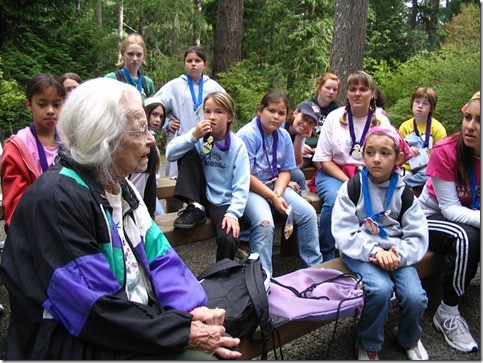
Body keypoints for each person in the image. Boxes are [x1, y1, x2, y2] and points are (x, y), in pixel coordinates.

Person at [0, 78, 241, 360]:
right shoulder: (56, 200)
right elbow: (93, 308)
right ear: (105, 138)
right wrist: (180, 331)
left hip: (128, 322)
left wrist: (191, 307)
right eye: (140, 131)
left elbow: (158, 254)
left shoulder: (118, 185)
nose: (151, 140)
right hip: (71, 340)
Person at [333, 125, 429, 360]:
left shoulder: (404, 193)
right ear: (363, 154)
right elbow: (344, 231)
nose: (376, 159)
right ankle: (369, 340)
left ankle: (409, 336)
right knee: (380, 289)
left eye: (385, 153)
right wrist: (374, 251)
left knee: (415, 296)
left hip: (397, 253)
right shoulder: (352, 187)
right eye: (370, 152)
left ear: (398, 157)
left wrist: (399, 254)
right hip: (360, 252)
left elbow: (417, 235)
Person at [418, 91, 480, 353]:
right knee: (467, 237)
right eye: (468, 117)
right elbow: (451, 210)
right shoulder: (446, 151)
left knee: (470, 232)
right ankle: (447, 312)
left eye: (479, 120)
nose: (470, 126)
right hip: (429, 217)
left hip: (466, 217)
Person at [237, 91, 322, 275]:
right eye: (271, 111)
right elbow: (245, 176)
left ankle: (314, 270)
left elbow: (286, 170)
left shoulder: (282, 136)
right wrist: (272, 197)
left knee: (307, 214)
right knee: (265, 223)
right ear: (260, 111)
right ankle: (262, 277)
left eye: (281, 113)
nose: (276, 117)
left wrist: (278, 191)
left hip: (274, 185)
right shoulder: (248, 135)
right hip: (250, 188)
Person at [311, 70, 391, 261]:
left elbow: (389, 156)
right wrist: (348, 181)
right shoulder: (334, 118)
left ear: (372, 94)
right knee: (335, 199)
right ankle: (327, 256)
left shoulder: (381, 122)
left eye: (363, 89)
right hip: (334, 173)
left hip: (370, 174)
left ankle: (368, 252)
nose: (357, 93)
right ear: (347, 93)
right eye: (353, 89)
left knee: (377, 202)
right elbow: (323, 158)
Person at [166, 92, 250, 262]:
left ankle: (221, 276)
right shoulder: (199, 135)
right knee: (187, 151)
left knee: (229, 238)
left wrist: (233, 214)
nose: (212, 117)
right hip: (200, 194)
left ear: (230, 117)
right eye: (208, 111)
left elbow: (241, 185)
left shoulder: (237, 146)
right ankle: (195, 206)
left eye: (219, 112)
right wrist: (193, 137)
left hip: (222, 200)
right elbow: (170, 154)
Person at [1, 73, 65, 229]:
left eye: (56, 105)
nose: (50, 111)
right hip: (35, 228)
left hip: (67, 221)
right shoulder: (17, 148)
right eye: (42, 104)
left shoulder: (69, 139)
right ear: (29, 105)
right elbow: (15, 203)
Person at [154, 46, 226, 178]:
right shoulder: (174, 86)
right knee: (175, 185)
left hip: (207, 141)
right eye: (189, 61)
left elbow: (227, 110)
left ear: (205, 64)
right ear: (184, 64)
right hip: (180, 139)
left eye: (197, 61)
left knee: (204, 180)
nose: (193, 64)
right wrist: (168, 124)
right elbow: (155, 107)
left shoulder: (214, 87)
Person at [399, 87, 447, 194]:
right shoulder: (405, 126)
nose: (420, 106)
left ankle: (404, 183)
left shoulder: (437, 129)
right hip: (408, 166)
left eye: (425, 103)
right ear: (412, 103)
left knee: (430, 175)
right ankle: (404, 184)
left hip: (427, 169)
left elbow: (442, 155)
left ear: (432, 108)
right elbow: (398, 149)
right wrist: (408, 150)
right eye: (417, 102)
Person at [128, 96, 165, 218]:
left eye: (161, 116)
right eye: (154, 114)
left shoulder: (150, 143)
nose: (157, 120)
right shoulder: (138, 144)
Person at [284, 100, 321, 191]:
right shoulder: (281, 127)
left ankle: (302, 196)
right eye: (304, 118)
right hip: (270, 169)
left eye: (310, 123)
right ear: (296, 113)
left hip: (283, 167)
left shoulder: (300, 131)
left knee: (298, 175)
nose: (305, 124)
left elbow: (296, 163)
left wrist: (299, 138)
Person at [105, 33, 155, 100]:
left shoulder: (148, 83)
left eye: (139, 55)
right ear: (123, 54)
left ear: (144, 56)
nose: (135, 58)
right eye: (130, 54)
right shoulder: (111, 79)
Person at [303, 72, 340, 152]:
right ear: (319, 87)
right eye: (328, 88)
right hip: (305, 149)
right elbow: (292, 131)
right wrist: (301, 145)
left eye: (334, 90)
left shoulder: (339, 112)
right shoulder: (305, 107)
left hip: (326, 152)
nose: (331, 92)